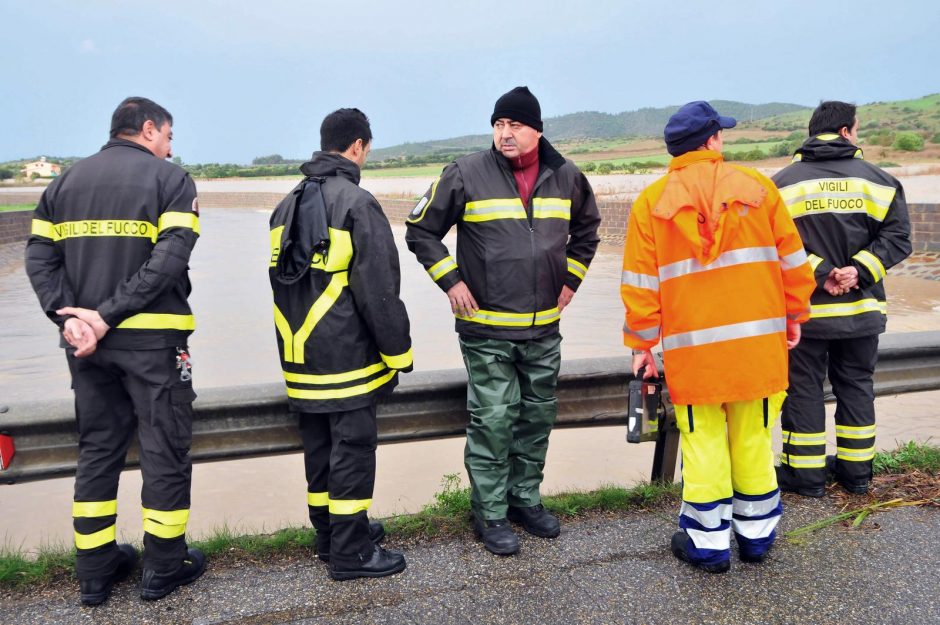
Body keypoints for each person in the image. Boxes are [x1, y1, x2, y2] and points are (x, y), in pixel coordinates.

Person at [405, 86, 601, 555]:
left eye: (513, 125)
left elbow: (588, 232)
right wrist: (451, 281)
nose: (504, 134)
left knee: (536, 418)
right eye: (498, 125)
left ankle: (524, 501)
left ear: (536, 129)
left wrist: (570, 282)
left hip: (543, 329)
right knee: (494, 421)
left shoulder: (567, 176)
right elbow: (421, 229)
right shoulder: (465, 173)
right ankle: (490, 514)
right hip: (487, 328)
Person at [621, 101, 815, 573]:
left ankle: (708, 547)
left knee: (703, 444)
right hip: (757, 351)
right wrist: (795, 316)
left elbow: (641, 286)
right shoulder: (759, 188)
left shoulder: (651, 203)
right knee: (752, 440)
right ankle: (755, 538)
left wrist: (643, 346)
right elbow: (794, 264)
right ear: (712, 141)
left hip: (694, 359)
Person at [25, 97, 205, 604]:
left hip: (86, 348)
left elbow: (39, 258)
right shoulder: (171, 182)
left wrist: (71, 318)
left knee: (98, 448)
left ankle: (96, 570)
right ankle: (165, 566)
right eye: (169, 137)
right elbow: (169, 261)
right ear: (149, 130)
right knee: (163, 447)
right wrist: (104, 317)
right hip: (152, 343)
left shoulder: (62, 184)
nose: (170, 149)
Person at [268, 108, 412, 580]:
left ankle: (331, 537)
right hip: (347, 361)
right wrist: (399, 355)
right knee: (351, 455)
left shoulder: (286, 204)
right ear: (358, 146)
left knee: (320, 454)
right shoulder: (357, 203)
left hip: (300, 357)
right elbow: (380, 292)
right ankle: (352, 555)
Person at [772, 101, 912, 497]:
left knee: (803, 389)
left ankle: (807, 477)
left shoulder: (781, 184)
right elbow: (899, 239)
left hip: (807, 313)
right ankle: (856, 474)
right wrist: (859, 270)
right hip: (862, 310)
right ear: (847, 131)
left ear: (812, 132)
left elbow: (775, 246)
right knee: (856, 386)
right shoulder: (880, 180)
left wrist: (821, 272)